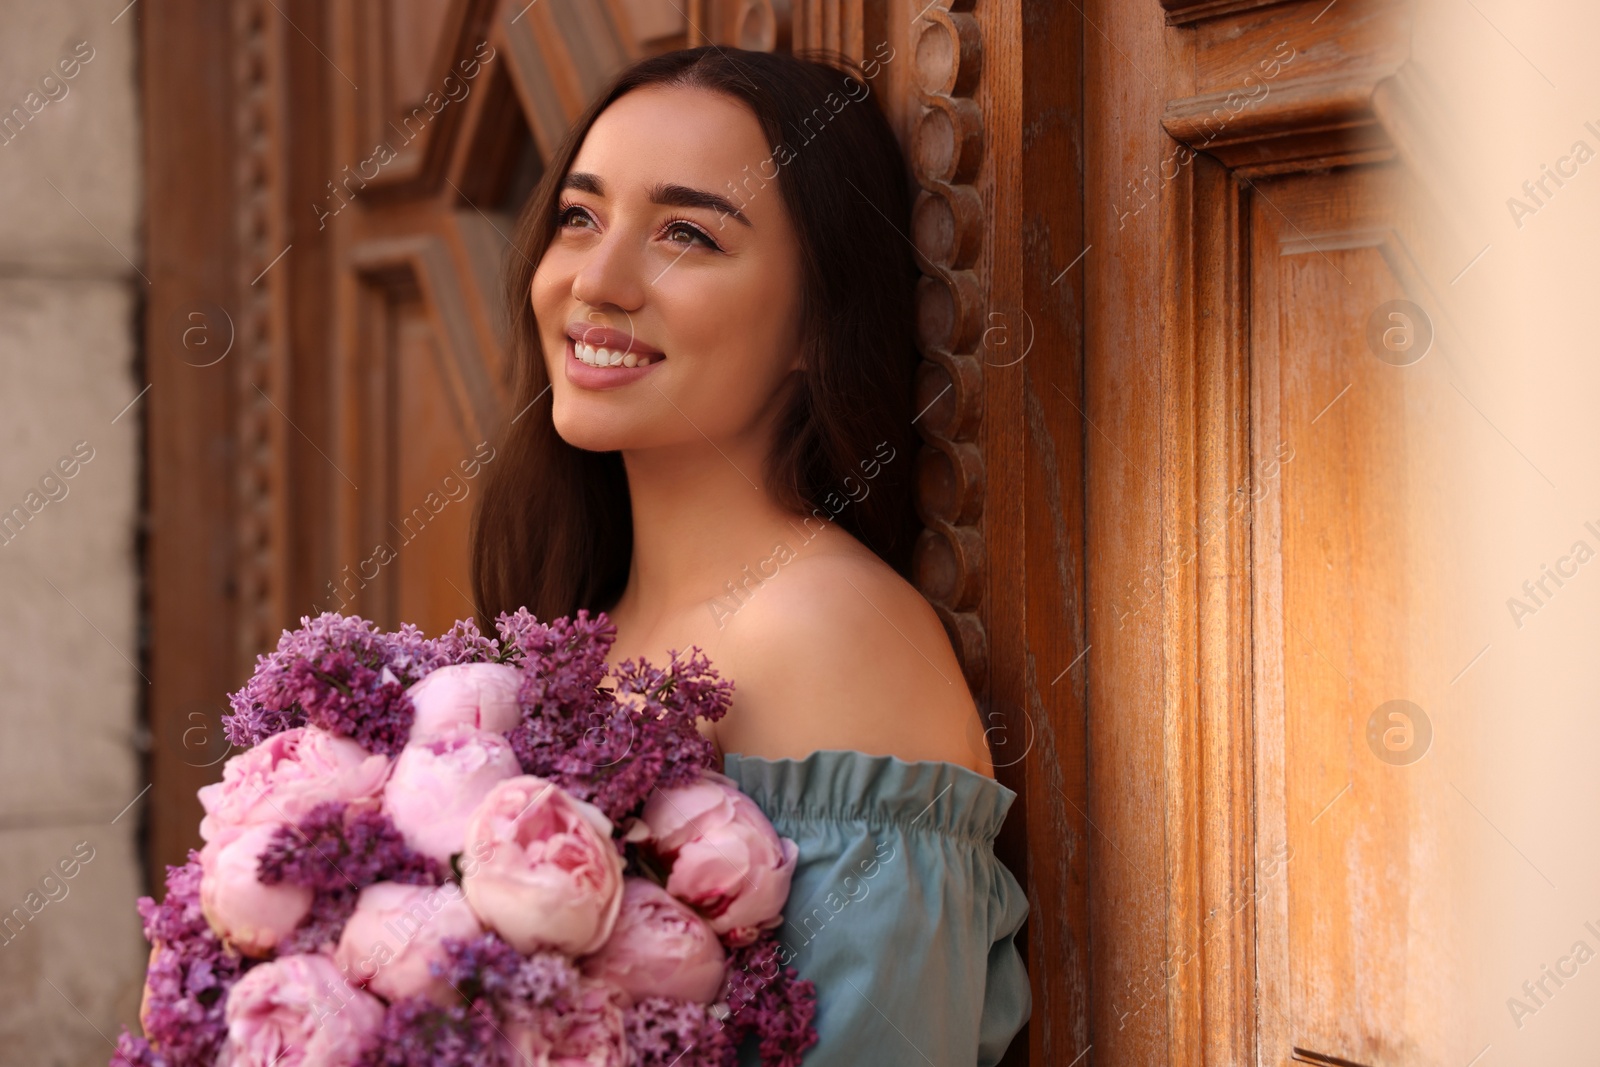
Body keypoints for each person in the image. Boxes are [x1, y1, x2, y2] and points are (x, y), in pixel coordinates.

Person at [472, 45, 1030, 1066]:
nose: (597, 281)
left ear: (817, 318)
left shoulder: (823, 634)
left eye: (685, 234)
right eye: (579, 217)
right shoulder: (575, 614)